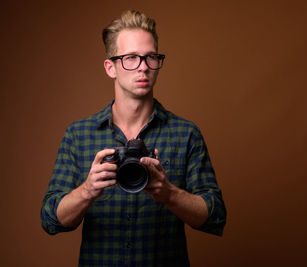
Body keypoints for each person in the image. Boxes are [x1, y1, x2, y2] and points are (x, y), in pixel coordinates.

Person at [41, 10, 226, 267]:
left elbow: (215, 215)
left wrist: (169, 193)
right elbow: (50, 220)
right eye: (131, 58)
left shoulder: (186, 134)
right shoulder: (78, 135)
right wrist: (87, 190)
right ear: (111, 67)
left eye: (151, 57)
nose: (143, 67)